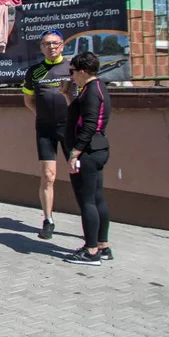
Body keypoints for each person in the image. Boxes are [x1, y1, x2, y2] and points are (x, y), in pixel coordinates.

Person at [62, 51, 114, 266]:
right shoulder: (92, 89)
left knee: (87, 201)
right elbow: (79, 114)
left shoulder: (92, 92)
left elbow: (90, 125)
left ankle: (91, 250)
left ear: (83, 71)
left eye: (72, 71)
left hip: (89, 152)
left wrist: (75, 153)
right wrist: (68, 95)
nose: (71, 75)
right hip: (96, 149)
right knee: (97, 198)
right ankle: (103, 245)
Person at [22, 30, 72, 240]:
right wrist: (43, 116)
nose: (51, 47)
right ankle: (48, 220)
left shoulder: (72, 68)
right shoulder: (34, 71)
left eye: (55, 43)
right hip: (45, 129)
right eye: (46, 44)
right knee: (48, 176)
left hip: (70, 129)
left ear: (62, 46)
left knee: (79, 176)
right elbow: (28, 101)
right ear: (41, 47)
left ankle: (88, 220)